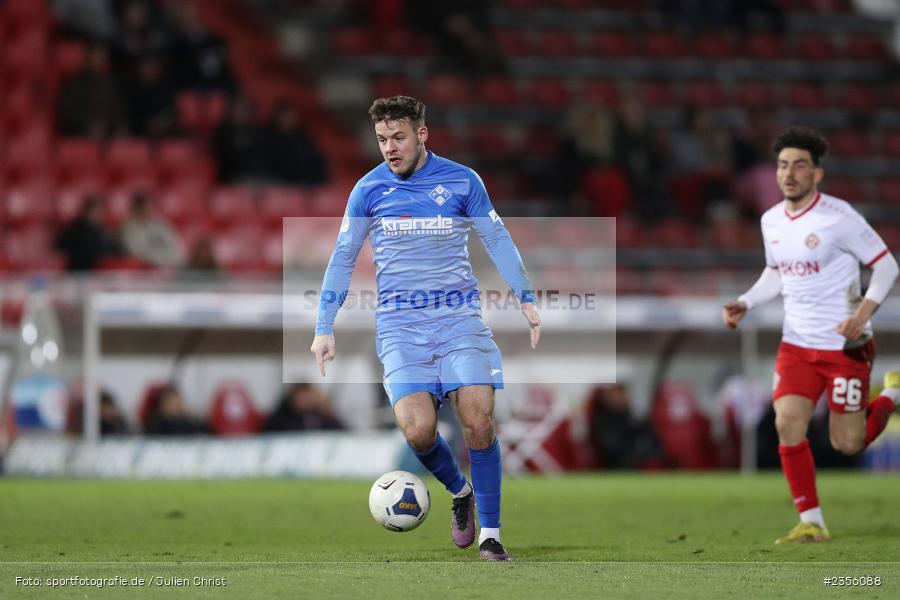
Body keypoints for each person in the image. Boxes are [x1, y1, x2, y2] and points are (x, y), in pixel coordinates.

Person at [310, 96, 540, 561]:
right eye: (381, 140)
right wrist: (323, 326)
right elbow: (342, 257)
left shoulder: (462, 180)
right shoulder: (368, 190)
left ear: (422, 135)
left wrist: (527, 297)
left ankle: (491, 535)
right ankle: (460, 492)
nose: (390, 148)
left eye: (398, 137)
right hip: (400, 328)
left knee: (477, 419)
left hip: (459, 321)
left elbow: (496, 236)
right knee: (418, 432)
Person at [723, 126, 900, 544]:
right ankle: (812, 521)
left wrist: (862, 313)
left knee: (847, 443)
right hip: (797, 345)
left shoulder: (840, 219)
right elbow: (775, 272)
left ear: (817, 174)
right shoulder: (771, 221)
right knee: (788, 424)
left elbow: (888, 265)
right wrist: (747, 301)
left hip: (845, 346)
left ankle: (890, 394)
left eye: (799, 165)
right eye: (783, 165)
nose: (789, 173)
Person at [263, 383, 344, 432]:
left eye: (307, 396)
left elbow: (341, 431)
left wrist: (328, 412)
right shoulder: (281, 417)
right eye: (301, 396)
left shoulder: (320, 415)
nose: (305, 400)